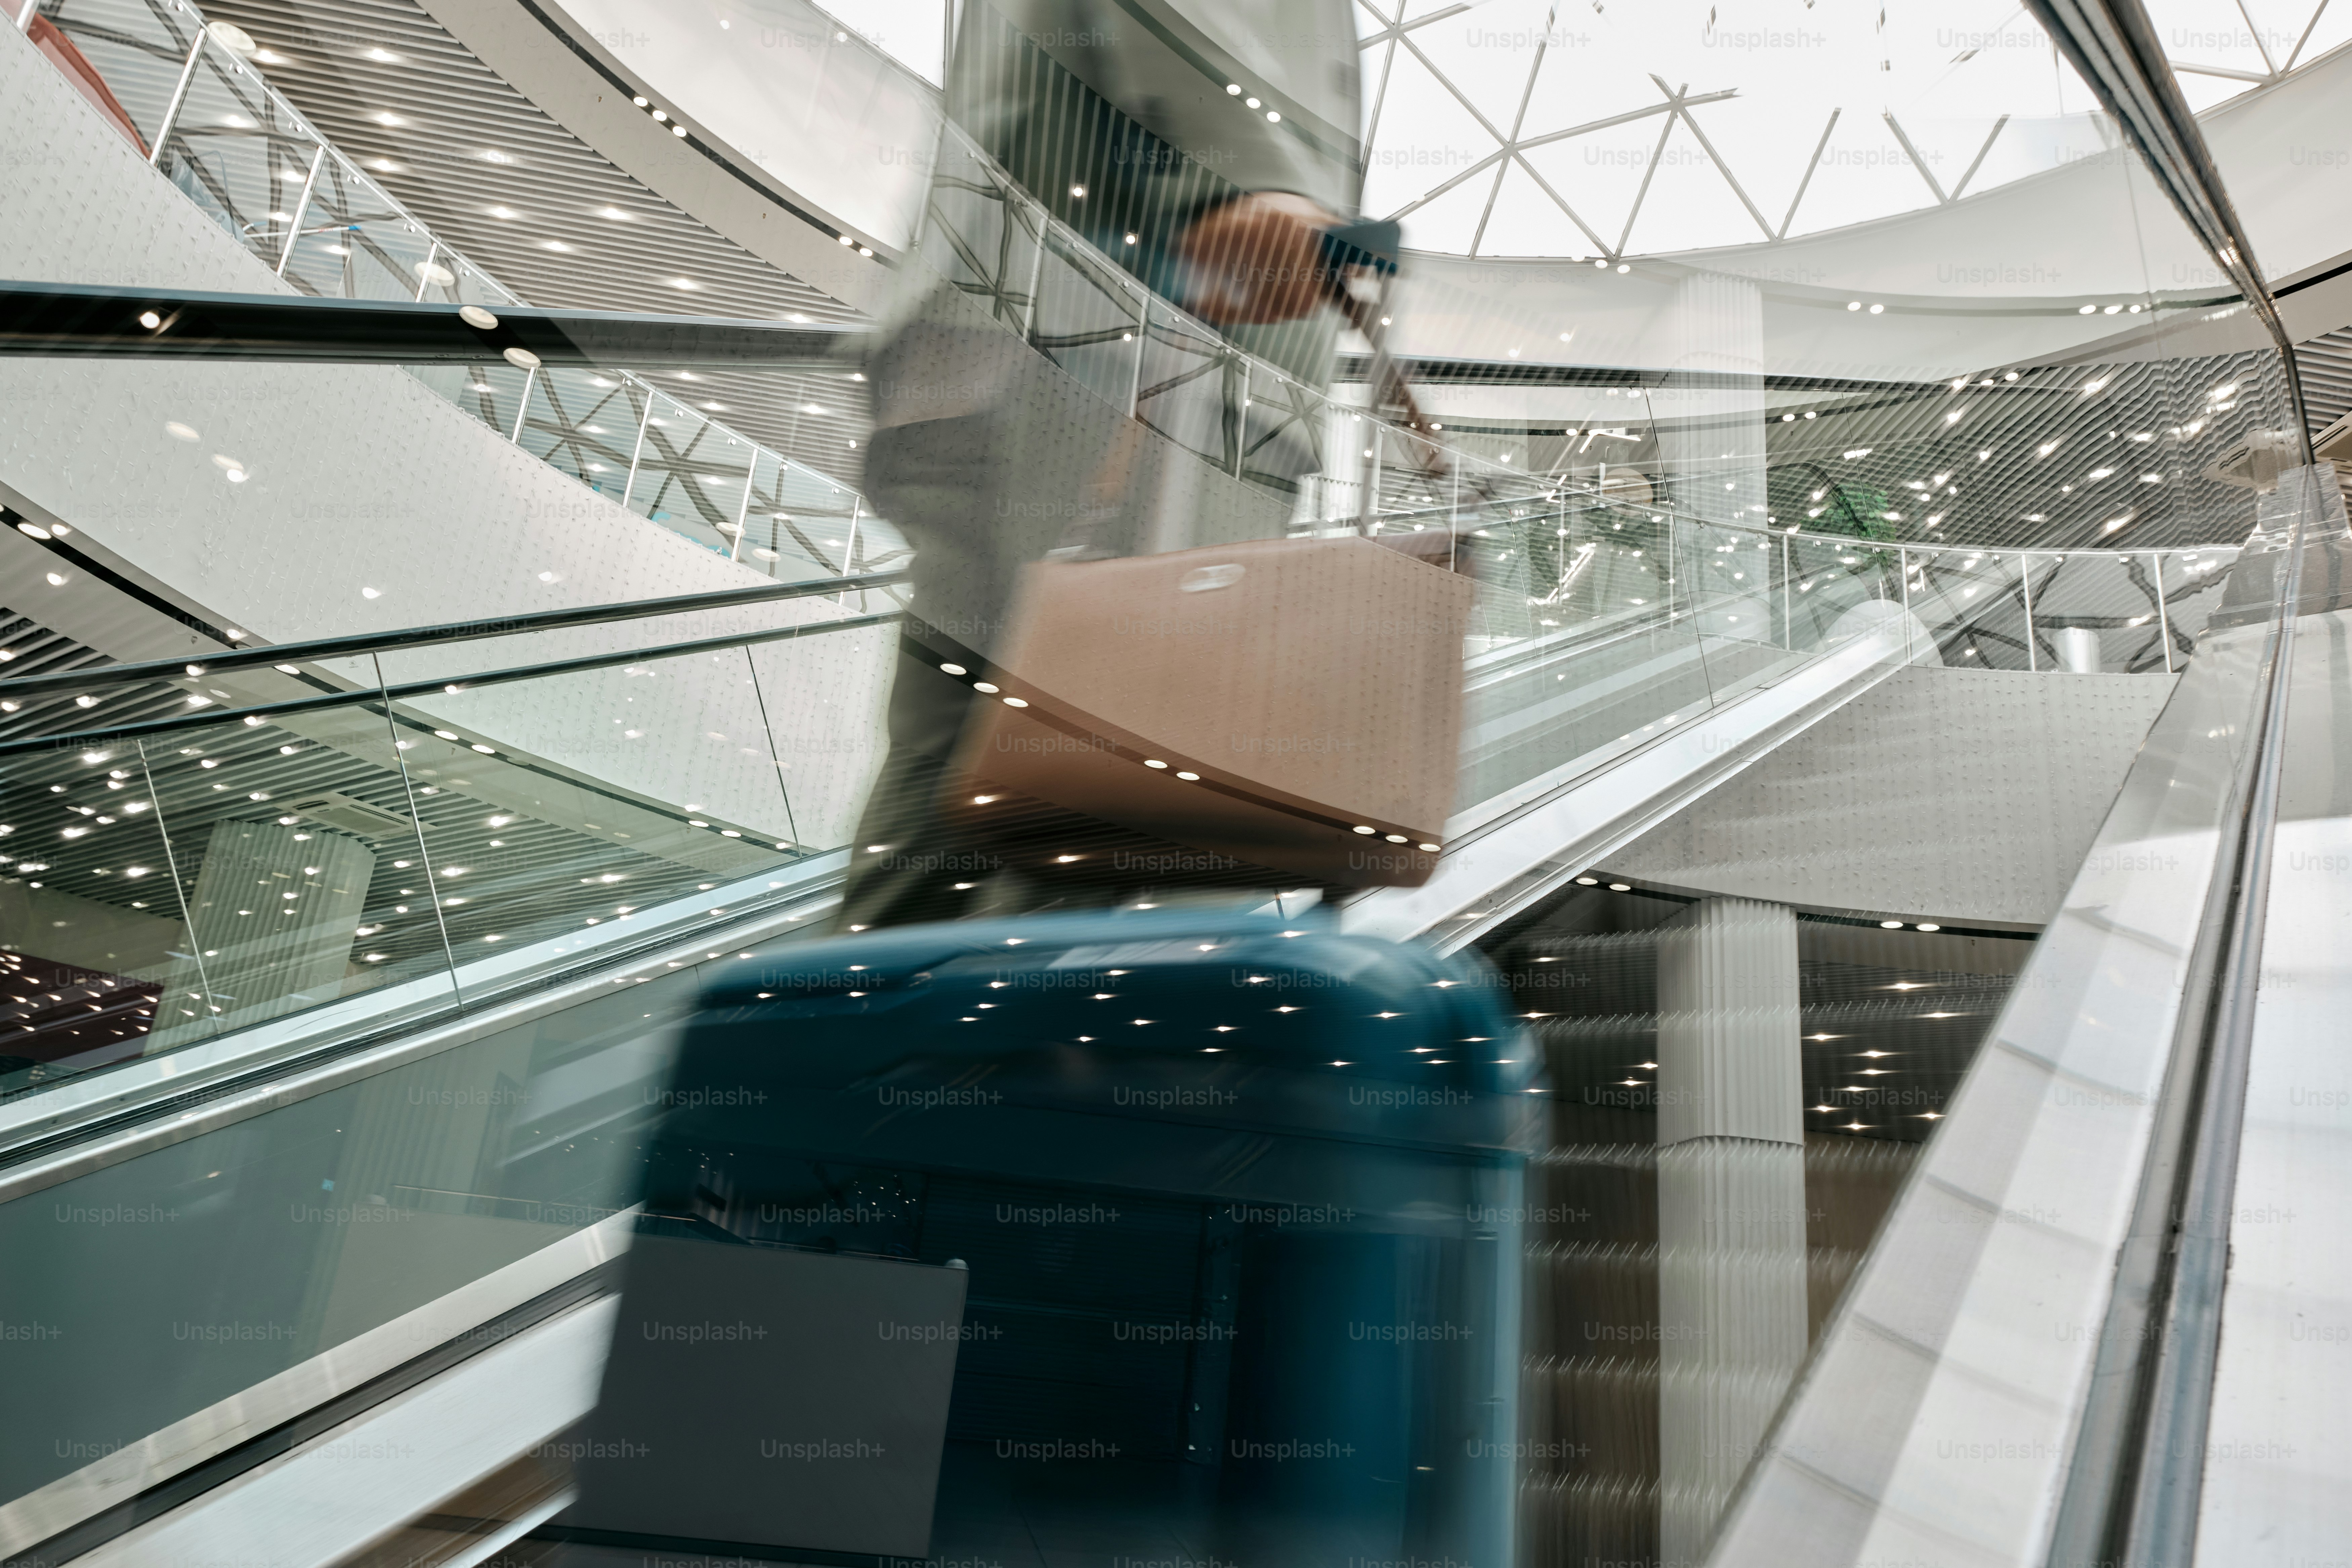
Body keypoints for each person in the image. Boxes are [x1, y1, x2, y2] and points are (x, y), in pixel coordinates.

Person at [838, 0, 1366, 930]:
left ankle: (846, 1045)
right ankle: (1018, 1052)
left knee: (949, 772)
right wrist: (1248, 177)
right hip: (1144, 356)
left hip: (990, 322)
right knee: (1105, 794)